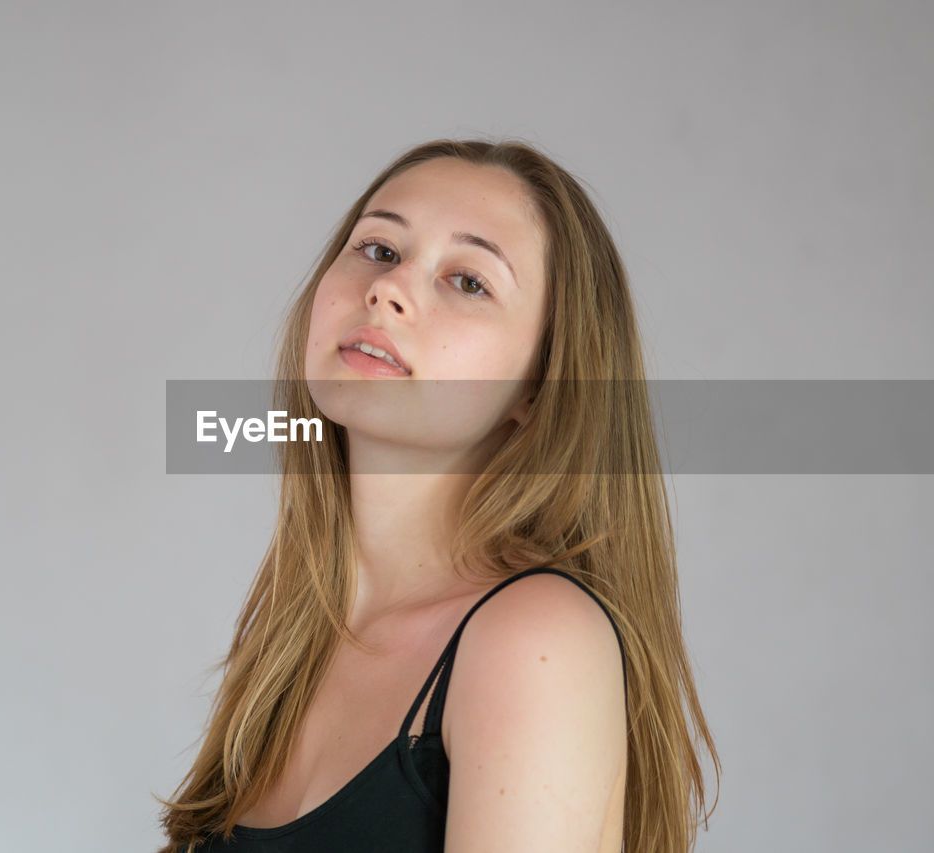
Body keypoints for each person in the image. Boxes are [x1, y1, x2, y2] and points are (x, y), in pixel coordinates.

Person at [155, 138, 721, 852]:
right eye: (380, 249)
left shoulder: (534, 639)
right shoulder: (295, 637)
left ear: (539, 389)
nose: (387, 289)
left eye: (469, 281)